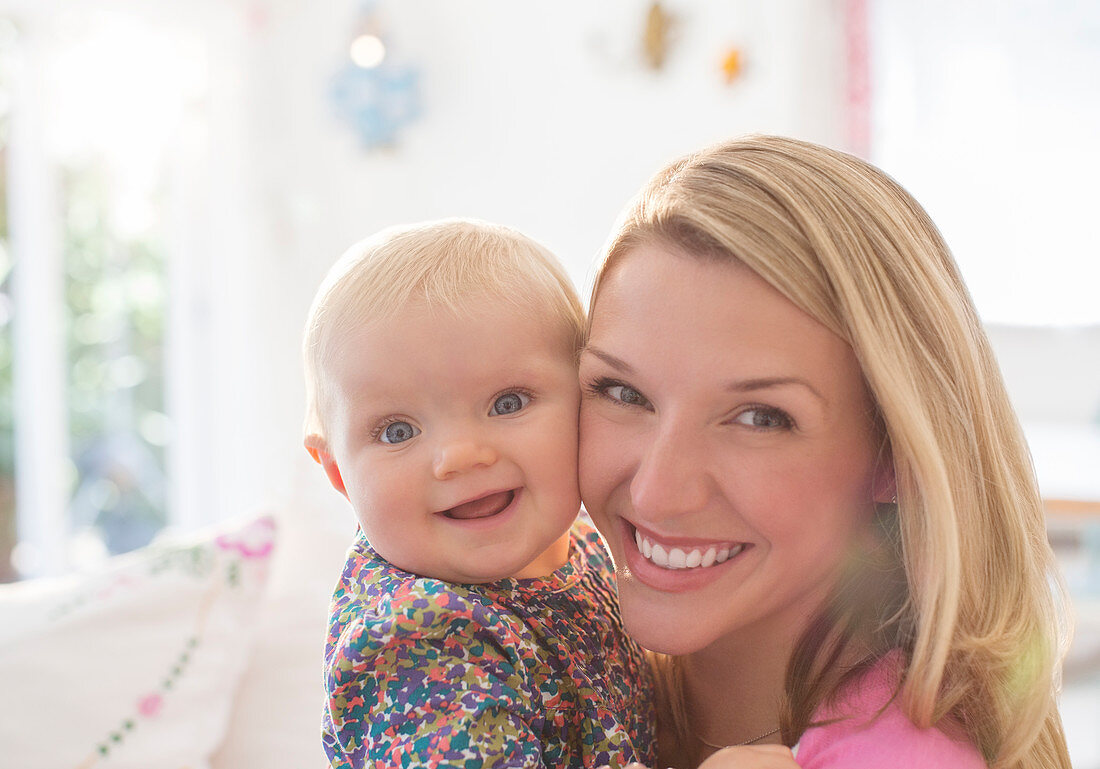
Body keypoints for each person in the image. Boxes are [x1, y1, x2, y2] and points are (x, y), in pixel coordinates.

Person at [578, 136, 1071, 769]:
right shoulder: (553, 662)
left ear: (894, 456)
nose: (655, 491)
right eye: (622, 392)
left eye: (760, 418)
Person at [302, 219, 656, 768]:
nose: (460, 456)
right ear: (338, 473)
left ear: (589, 402)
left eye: (508, 403)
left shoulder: (584, 544)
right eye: (398, 431)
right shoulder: (417, 641)